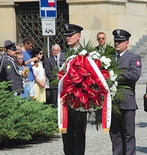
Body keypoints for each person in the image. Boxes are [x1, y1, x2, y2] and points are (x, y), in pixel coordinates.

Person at [109, 29, 142, 155]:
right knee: (115, 134)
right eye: (116, 41)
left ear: (127, 43)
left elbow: (134, 75)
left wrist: (115, 74)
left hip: (127, 102)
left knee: (129, 133)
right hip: (112, 102)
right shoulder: (109, 58)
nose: (117, 43)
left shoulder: (133, 57)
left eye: (120, 41)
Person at [61, 23, 87, 155]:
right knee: (66, 133)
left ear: (78, 36)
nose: (67, 38)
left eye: (70, 35)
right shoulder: (63, 54)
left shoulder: (85, 54)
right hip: (65, 102)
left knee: (79, 133)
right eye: (66, 36)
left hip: (79, 101)